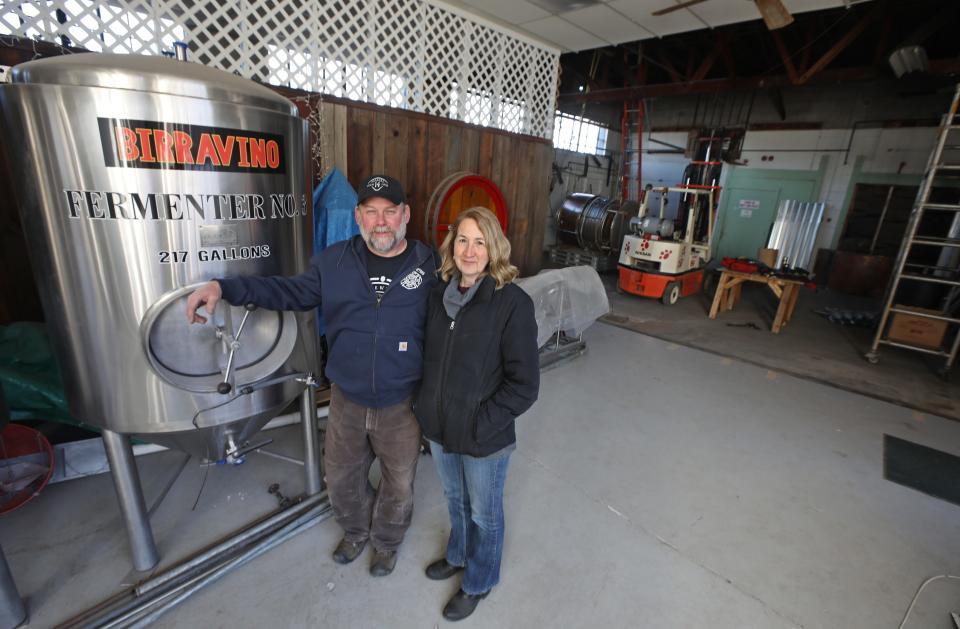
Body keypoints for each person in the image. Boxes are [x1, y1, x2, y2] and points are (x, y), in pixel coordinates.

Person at [185, 174, 437, 577]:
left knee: (400, 483)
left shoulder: (429, 265)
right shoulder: (333, 262)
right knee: (340, 479)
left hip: (401, 402)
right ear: (357, 216)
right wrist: (224, 287)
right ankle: (357, 531)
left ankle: (387, 542)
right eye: (371, 212)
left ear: (406, 214)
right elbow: (283, 292)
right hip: (347, 399)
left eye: (390, 211)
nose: (381, 221)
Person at [414, 207, 540, 621]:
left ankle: (480, 580)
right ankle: (458, 554)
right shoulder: (439, 293)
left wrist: (482, 423)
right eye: (463, 240)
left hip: (484, 434)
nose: (470, 251)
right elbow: (429, 358)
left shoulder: (512, 304)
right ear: (452, 245)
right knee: (455, 499)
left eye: (480, 241)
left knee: (485, 513)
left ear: (495, 248)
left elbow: (525, 385)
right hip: (439, 426)